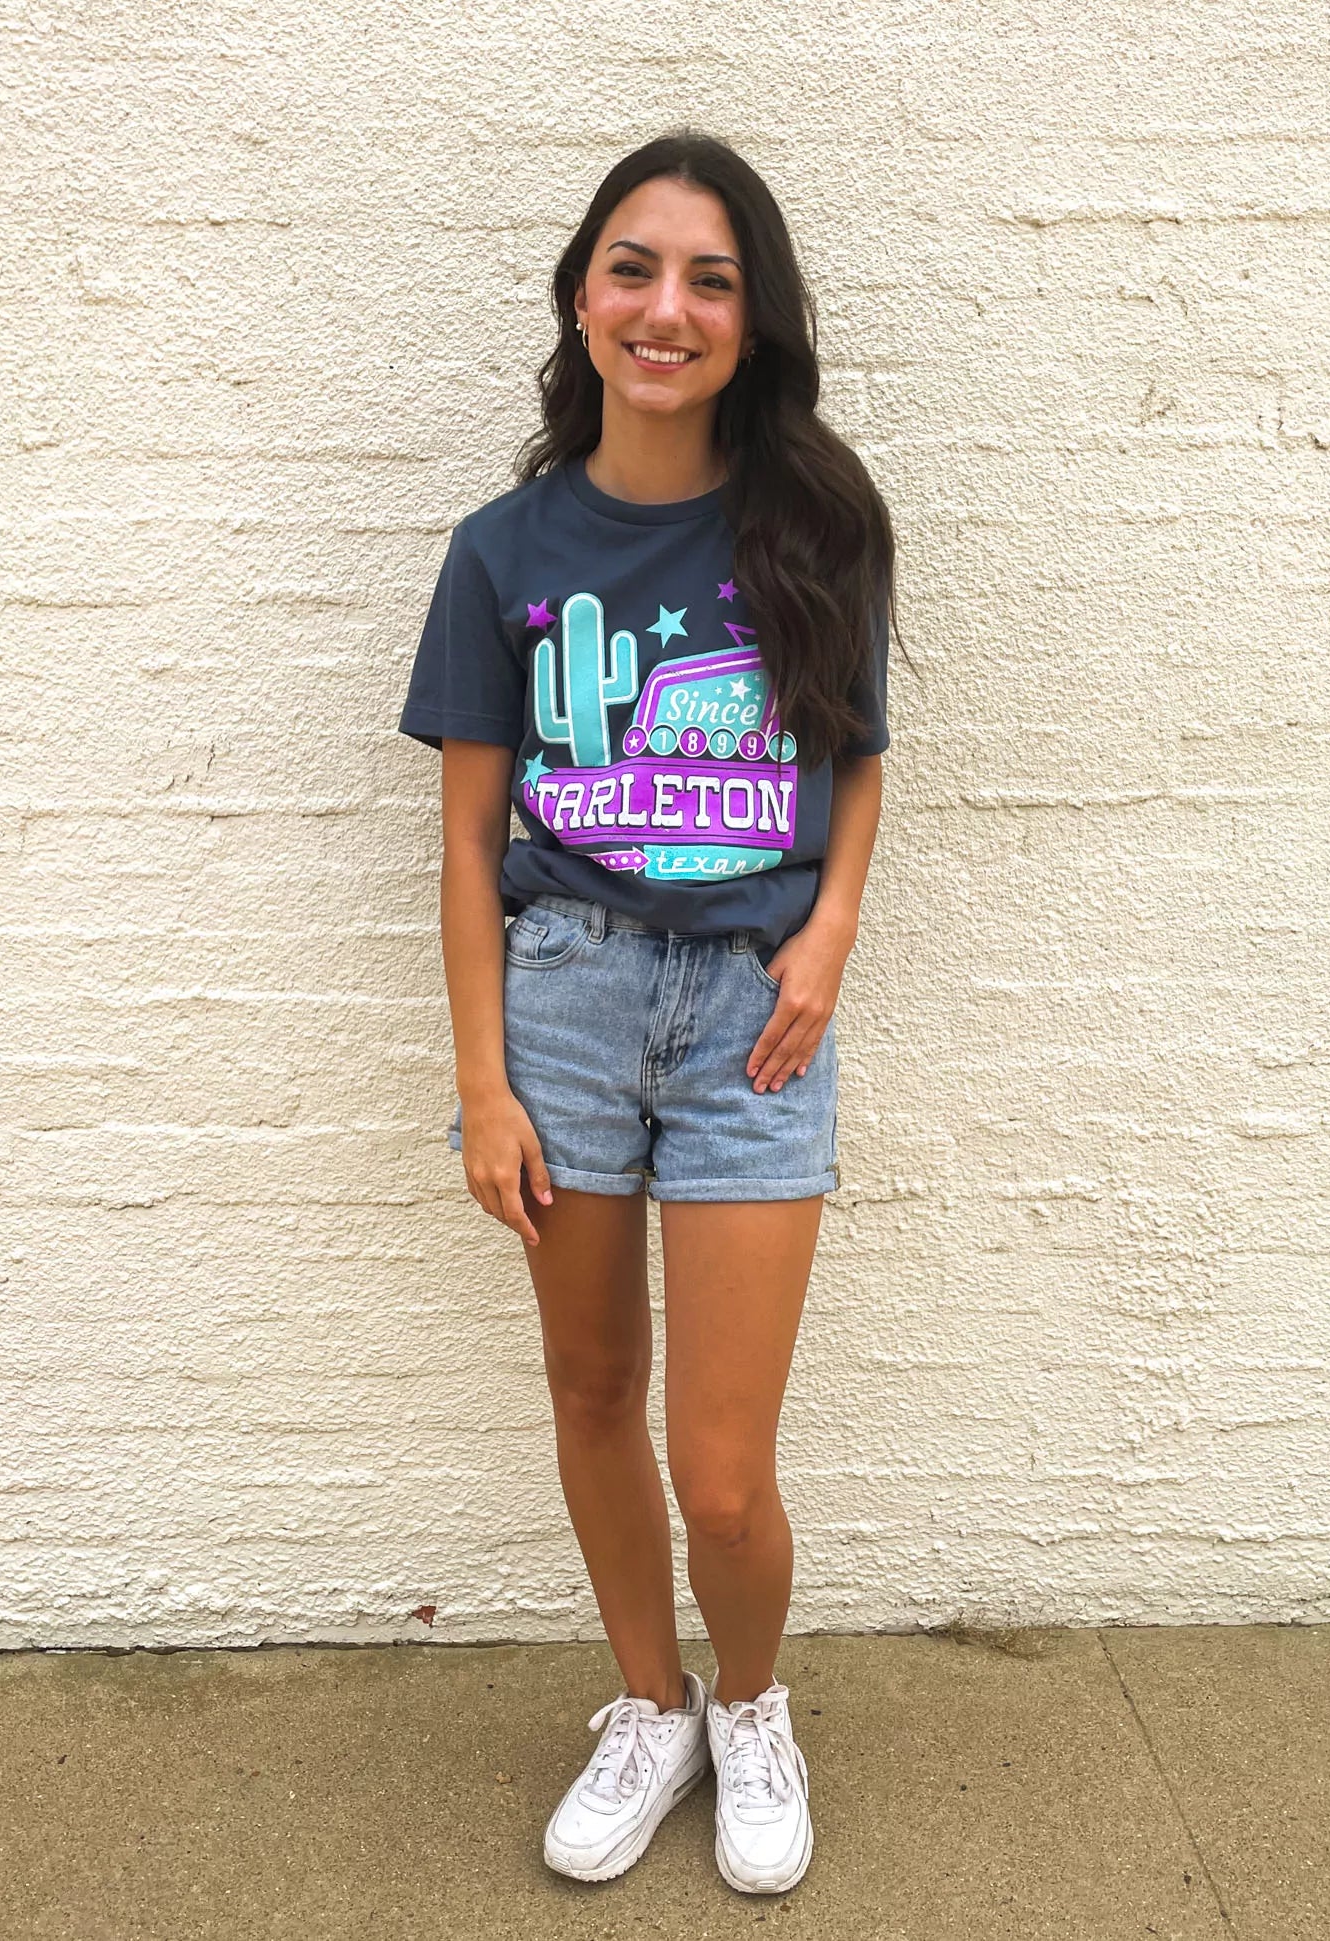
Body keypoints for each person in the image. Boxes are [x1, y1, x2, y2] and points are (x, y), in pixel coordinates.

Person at [398, 128, 899, 1897]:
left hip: (754, 1018)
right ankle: (651, 1701)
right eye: (633, 267)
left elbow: (853, 758)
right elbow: (466, 828)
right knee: (592, 1379)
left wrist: (829, 933)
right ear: (582, 296)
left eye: (708, 277)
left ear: (751, 319)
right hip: (565, 1000)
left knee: (725, 1467)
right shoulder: (503, 548)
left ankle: (754, 1704)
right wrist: (485, 1076)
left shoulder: (819, 519)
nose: (664, 306)